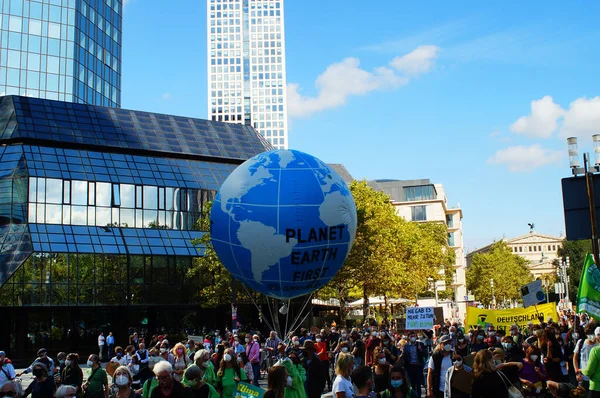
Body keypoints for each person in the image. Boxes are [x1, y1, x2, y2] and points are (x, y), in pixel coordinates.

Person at [574, 324, 598, 391]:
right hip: (583, 378)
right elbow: (575, 358)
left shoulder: (598, 344)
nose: (591, 336)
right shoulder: (581, 342)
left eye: (593, 333)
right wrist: (577, 372)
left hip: (595, 380)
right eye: (589, 334)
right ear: (586, 334)